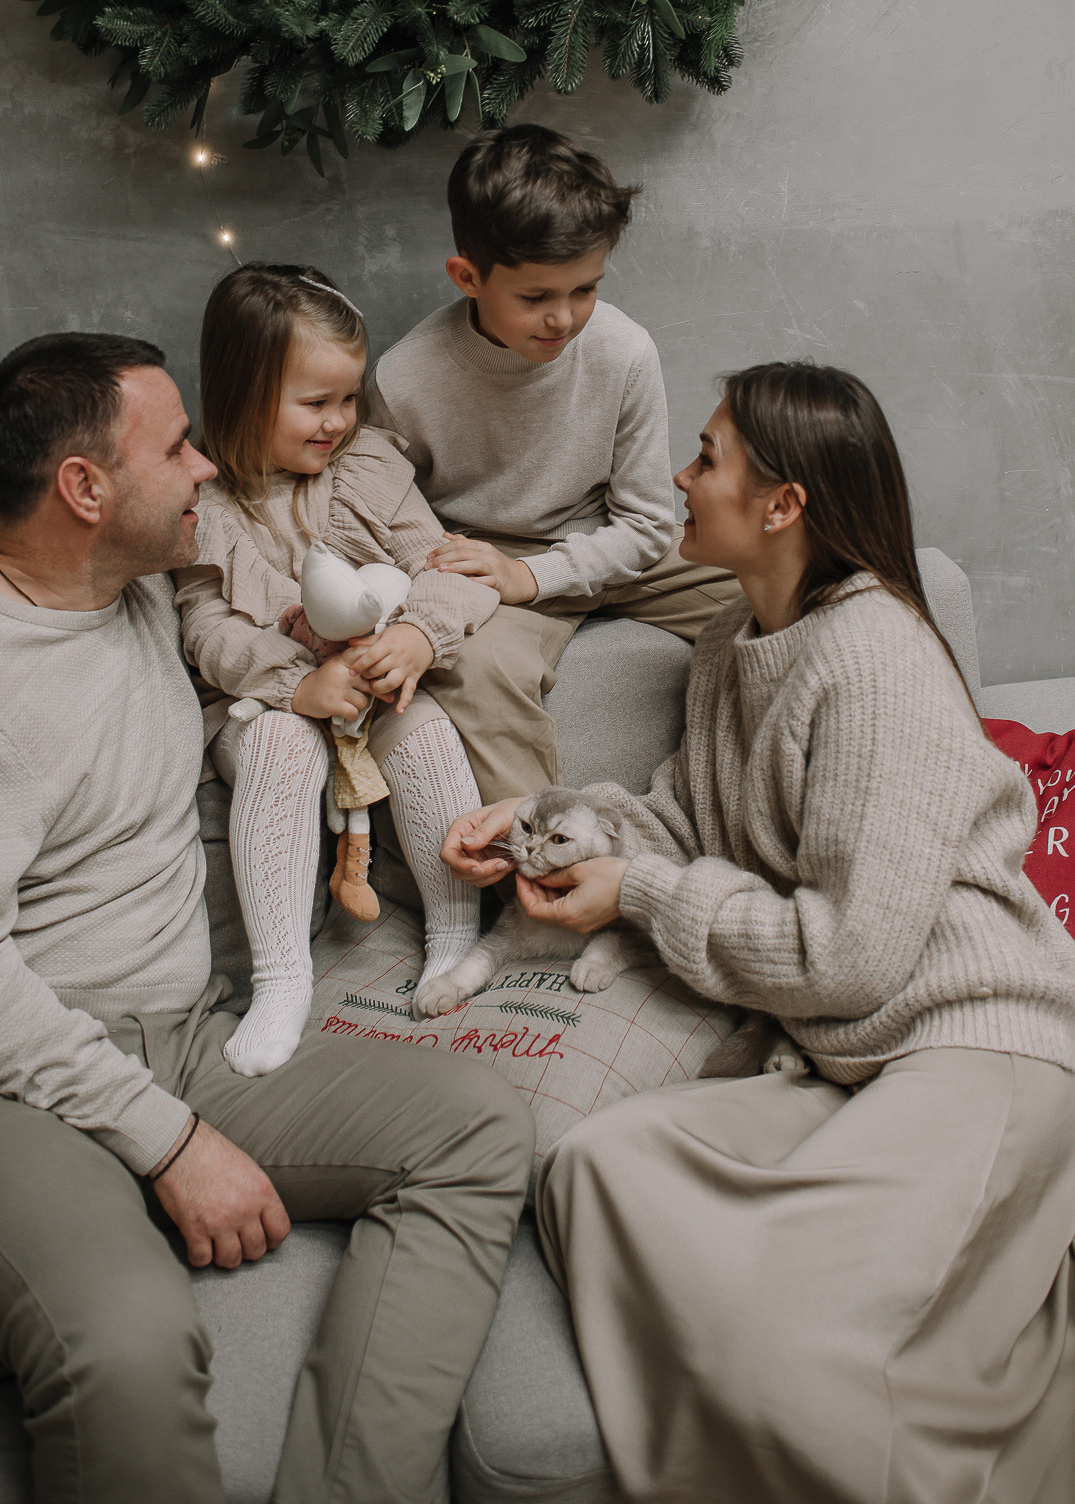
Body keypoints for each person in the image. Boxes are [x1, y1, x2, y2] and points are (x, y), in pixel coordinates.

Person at [0, 331, 534, 1504]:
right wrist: (167, 1141)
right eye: (174, 447)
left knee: (475, 1128)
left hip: (174, 1031)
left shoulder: (125, 591)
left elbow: (265, 657)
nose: (201, 470)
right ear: (84, 489)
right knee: (123, 1339)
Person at [443, 361, 1075, 1504]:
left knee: (792, 1360)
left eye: (705, 457)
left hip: (972, 1048)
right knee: (593, 1167)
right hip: (837, 1057)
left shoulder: (874, 659)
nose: (678, 479)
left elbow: (847, 956)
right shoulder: (734, 637)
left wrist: (631, 892)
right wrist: (546, 823)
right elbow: (687, 822)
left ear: (781, 505)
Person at [173, 263, 496, 1073]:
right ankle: (283, 976)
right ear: (243, 396)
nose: (338, 421)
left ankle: (453, 934)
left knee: (424, 735)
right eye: (315, 404)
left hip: (375, 685)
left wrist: (418, 634)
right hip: (262, 705)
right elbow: (207, 629)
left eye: (348, 398)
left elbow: (446, 566)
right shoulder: (207, 505)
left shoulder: (368, 468)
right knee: (284, 747)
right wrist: (295, 685)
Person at [367, 122, 741, 803]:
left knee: (785, 578)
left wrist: (534, 574)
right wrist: (501, 575)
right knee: (477, 671)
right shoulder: (406, 378)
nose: (563, 319)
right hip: (483, 557)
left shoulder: (624, 350)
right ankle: (545, 870)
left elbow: (649, 524)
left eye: (585, 290)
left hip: (614, 535)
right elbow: (386, 516)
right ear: (468, 277)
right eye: (536, 298)